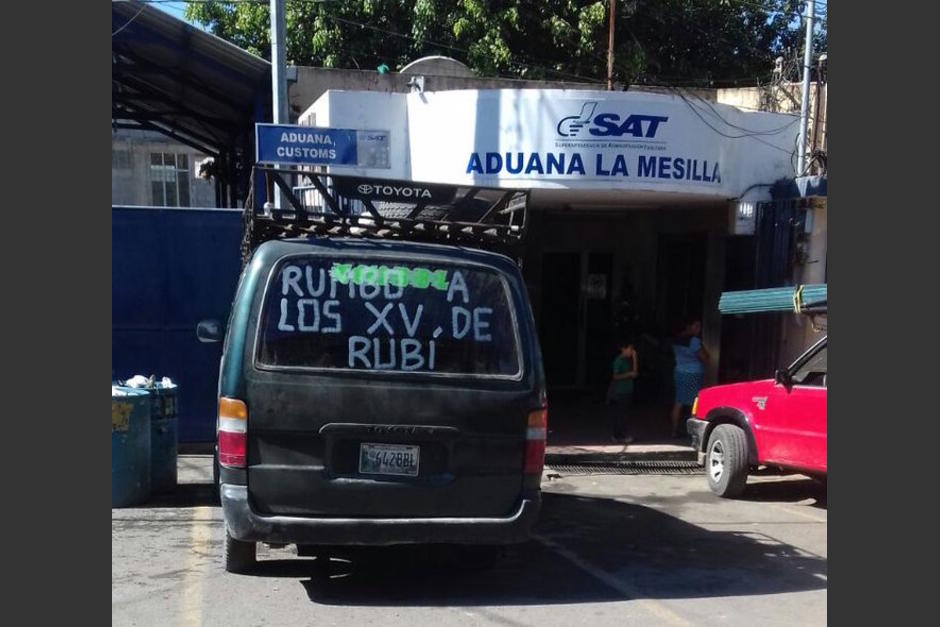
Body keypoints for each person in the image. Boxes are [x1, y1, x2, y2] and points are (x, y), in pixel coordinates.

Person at [671, 319, 708, 438]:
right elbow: (705, 357)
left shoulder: (676, 339)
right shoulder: (694, 341)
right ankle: (694, 434)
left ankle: (674, 431)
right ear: (689, 326)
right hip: (694, 374)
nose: (699, 328)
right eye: (696, 325)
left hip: (679, 373)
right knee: (695, 403)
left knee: (679, 402)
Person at [607, 339, 639, 443]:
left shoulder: (628, 360)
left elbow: (635, 373)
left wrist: (635, 358)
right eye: (630, 349)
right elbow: (615, 376)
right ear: (623, 349)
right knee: (620, 414)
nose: (631, 351)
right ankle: (618, 435)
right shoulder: (619, 360)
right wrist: (628, 374)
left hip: (628, 390)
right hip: (620, 391)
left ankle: (620, 434)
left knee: (625, 414)